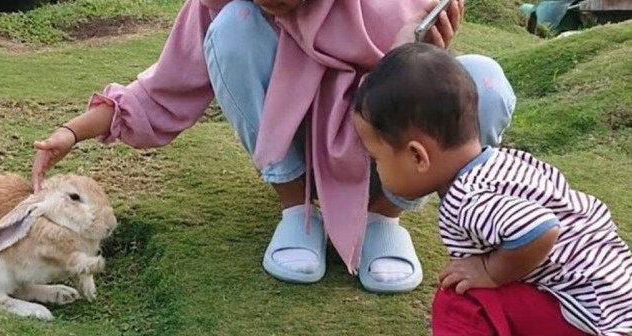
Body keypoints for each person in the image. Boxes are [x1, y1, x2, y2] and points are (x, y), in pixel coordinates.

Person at [31, 0, 513, 293]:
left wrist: (423, 50)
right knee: (232, 27)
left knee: (482, 84)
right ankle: (296, 209)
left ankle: (384, 216)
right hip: (299, 143)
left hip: (382, 147)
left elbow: (425, 96)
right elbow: (164, 88)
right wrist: (73, 131)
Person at [353, 42, 632, 336]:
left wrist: (488, 271)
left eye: (376, 157)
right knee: (503, 271)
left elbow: (541, 230)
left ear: (417, 156)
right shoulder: (499, 162)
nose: (376, 168)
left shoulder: (470, 198)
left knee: (459, 296)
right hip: (600, 302)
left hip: (583, 321)